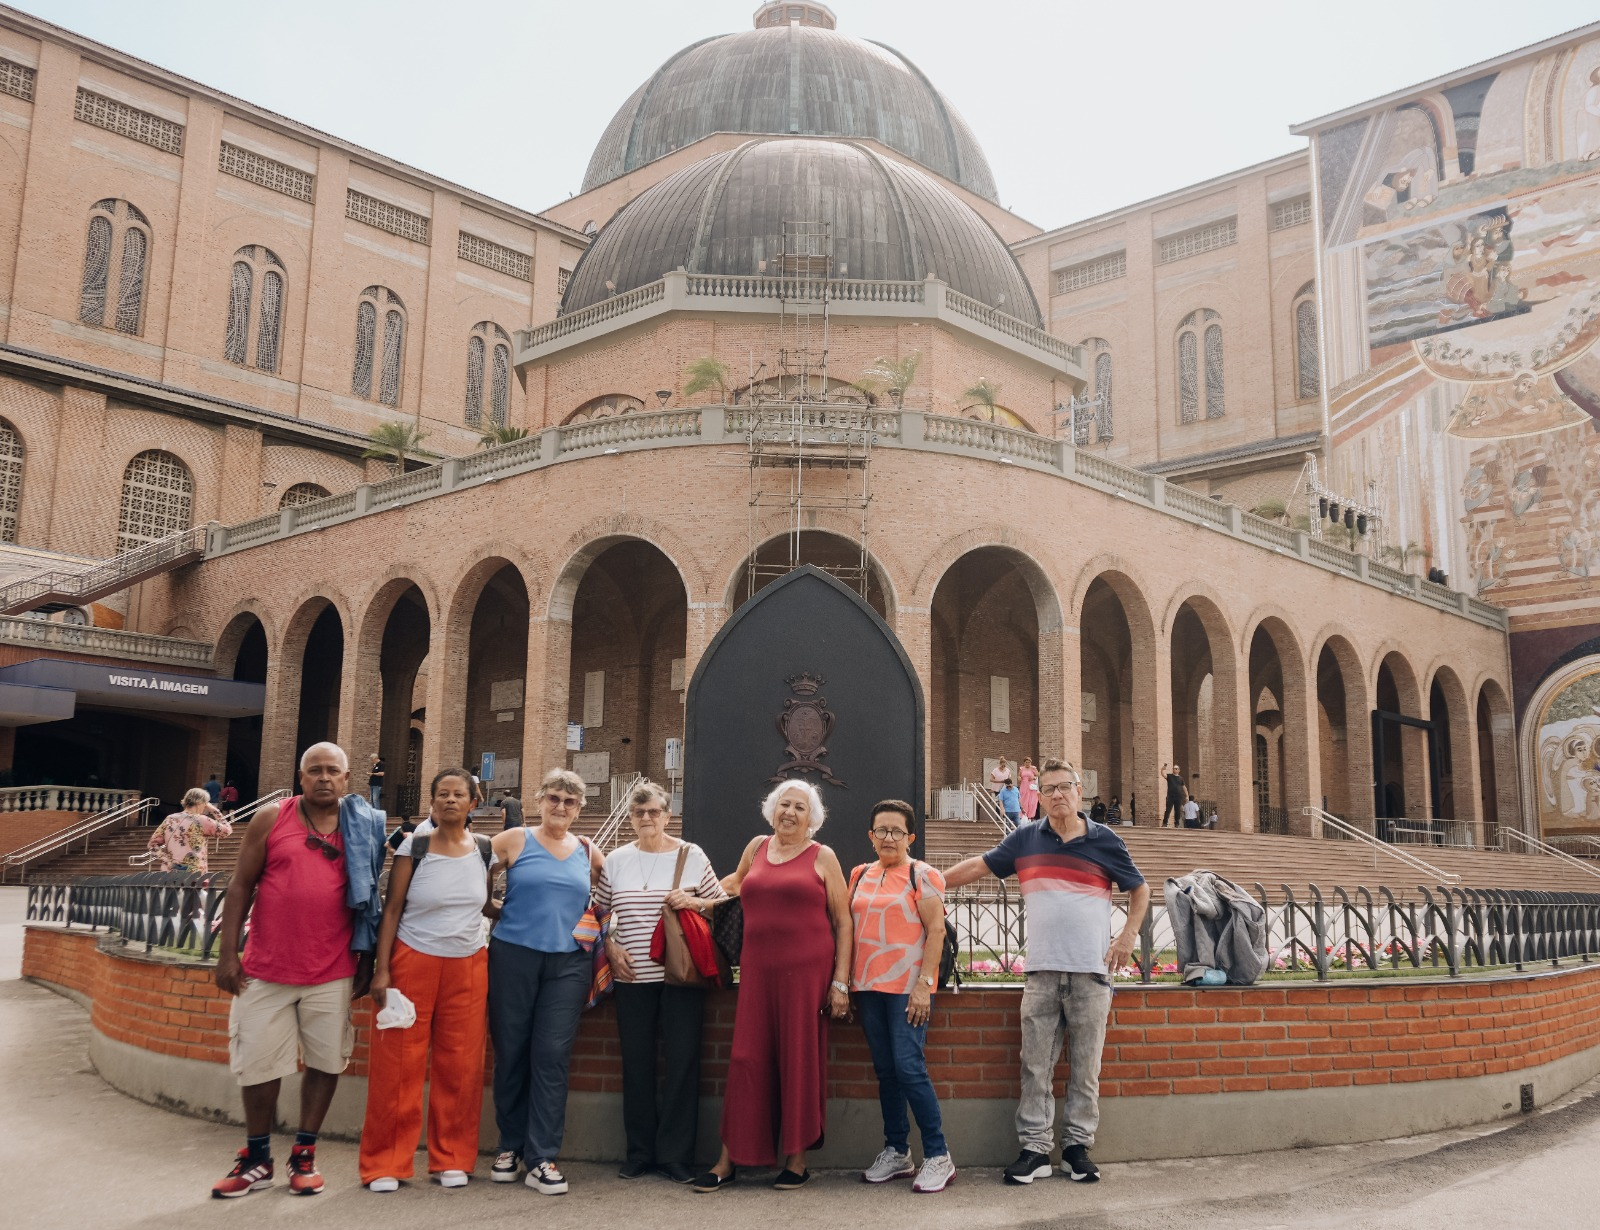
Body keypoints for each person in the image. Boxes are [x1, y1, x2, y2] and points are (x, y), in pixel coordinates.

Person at [944, 757, 1150, 1187]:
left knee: (1085, 1067)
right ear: (1038, 794)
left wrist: (1127, 936)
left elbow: (1139, 888)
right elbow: (979, 866)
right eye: (1049, 788)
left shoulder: (1105, 841)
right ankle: (1034, 1150)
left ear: (1079, 791)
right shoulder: (1024, 839)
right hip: (1040, 974)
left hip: (1091, 973)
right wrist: (926, 882)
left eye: (1065, 787)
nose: (1057, 794)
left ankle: (1077, 1150)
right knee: (1034, 1066)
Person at [210, 741, 387, 1199]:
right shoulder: (272, 818)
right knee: (258, 1065)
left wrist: (366, 962)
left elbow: (369, 901)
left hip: (332, 969)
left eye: (333, 771)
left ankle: (304, 1154)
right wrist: (228, 954)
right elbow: (240, 885)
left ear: (347, 779)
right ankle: (256, 1157)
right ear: (301, 777)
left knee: (327, 1061)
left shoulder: (363, 826)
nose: (324, 778)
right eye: (315, 771)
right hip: (266, 969)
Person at [693, 780, 852, 1193]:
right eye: (785, 804)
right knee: (747, 1058)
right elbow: (733, 885)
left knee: (799, 1058)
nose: (790, 812)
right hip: (758, 972)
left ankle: (797, 1161)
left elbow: (843, 921)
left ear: (811, 817)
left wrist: (840, 982)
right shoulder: (757, 847)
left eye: (800, 807)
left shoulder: (824, 856)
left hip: (807, 974)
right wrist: (695, 899)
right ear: (772, 809)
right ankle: (729, 1160)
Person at [360, 767, 491, 1192]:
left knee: (461, 1065)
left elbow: (485, 905)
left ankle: (451, 1157)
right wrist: (382, 969)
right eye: (442, 795)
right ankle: (385, 1163)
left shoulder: (484, 850)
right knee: (398, 1063)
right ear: (432, 803)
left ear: (475, 802)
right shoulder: (413, 848)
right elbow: (392, 910)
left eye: (459, 794)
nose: (450, 800)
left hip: (468, 964)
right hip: (413, 959)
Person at [598, 780, 726, 1183]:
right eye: (639, 813)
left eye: (654, 811)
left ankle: (675, 1156)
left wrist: (693, 901)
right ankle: (639, 1153)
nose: (647, 818)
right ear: (630, 818)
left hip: (680, 977)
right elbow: (598, 912)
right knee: (636, 1066)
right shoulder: (616, 860)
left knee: (683, 1064)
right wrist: (610, 945)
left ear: (668, 815)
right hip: (632, 978)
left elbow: (721, 903)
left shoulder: (691, 855)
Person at [485, 768, 606, 1195]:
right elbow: (474, 866)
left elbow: (607, 899)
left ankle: (542, 1157)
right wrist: (491, 906)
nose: (560, 807)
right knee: (511, 1049)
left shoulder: (589, 850)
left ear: (579, 809)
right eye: (553, 798)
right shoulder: (514, 839)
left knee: (551, 1055)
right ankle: (509, 1147)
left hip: (568, 965)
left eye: (570, 801)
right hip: (513, 956)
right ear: (539, 801)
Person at [848, 800, 954, 1194]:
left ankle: (939, 1155)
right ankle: (897, 1150)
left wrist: (925, 985)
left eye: (896, 831)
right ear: (871, 836)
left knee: (909, 1068)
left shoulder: (921, 874)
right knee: (886, 1071)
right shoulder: (859, 874)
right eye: (881, 830)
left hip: (907, 991)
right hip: (868, 987)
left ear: (910, 837)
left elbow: (936, 931)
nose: (888, 837)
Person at [147, 788, 233, 873]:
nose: (205, 807)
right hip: (194, 875)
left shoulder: (170, 819)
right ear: (200, 803)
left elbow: (152, 845)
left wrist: (167, 860)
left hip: (169, 874)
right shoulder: (202, 820)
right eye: (205, 804)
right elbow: (227, 831)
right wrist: (215, 810)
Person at [1160, 763, 1185, 828]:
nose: (1174, 769)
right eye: (1174, 768)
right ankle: (1165, 823)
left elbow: (1184, 787)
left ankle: (1177, 823)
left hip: (1178, 796)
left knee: (1177, 810)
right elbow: (1163, 775)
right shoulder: (1170, 776)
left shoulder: (1181, 778)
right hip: (1170, 796)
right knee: (1168, 809)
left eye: (1176, 768)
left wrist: (1187, 795)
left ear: (1179, 770)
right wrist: (1162, 769)